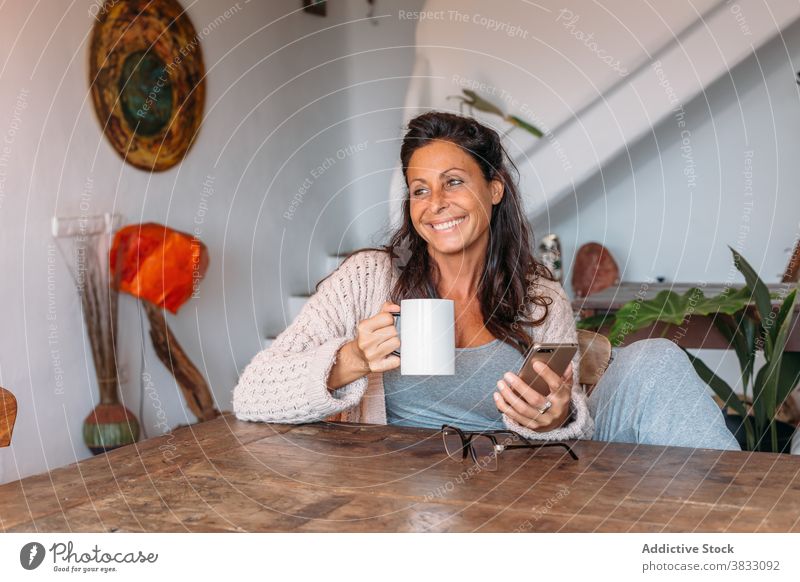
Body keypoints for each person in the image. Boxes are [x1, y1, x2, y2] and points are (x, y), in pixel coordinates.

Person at [233, 111, 740, 452]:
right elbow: (251, 395)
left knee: (658, 360)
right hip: (392, 492)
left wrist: (554, 417)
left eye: (454, 181)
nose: (436, 203)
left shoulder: (537, 297)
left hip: (512, 488)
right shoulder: (369, 278)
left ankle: (742, 538)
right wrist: (350, 360)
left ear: (494, 189)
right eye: (419, 190)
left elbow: (568, 416)